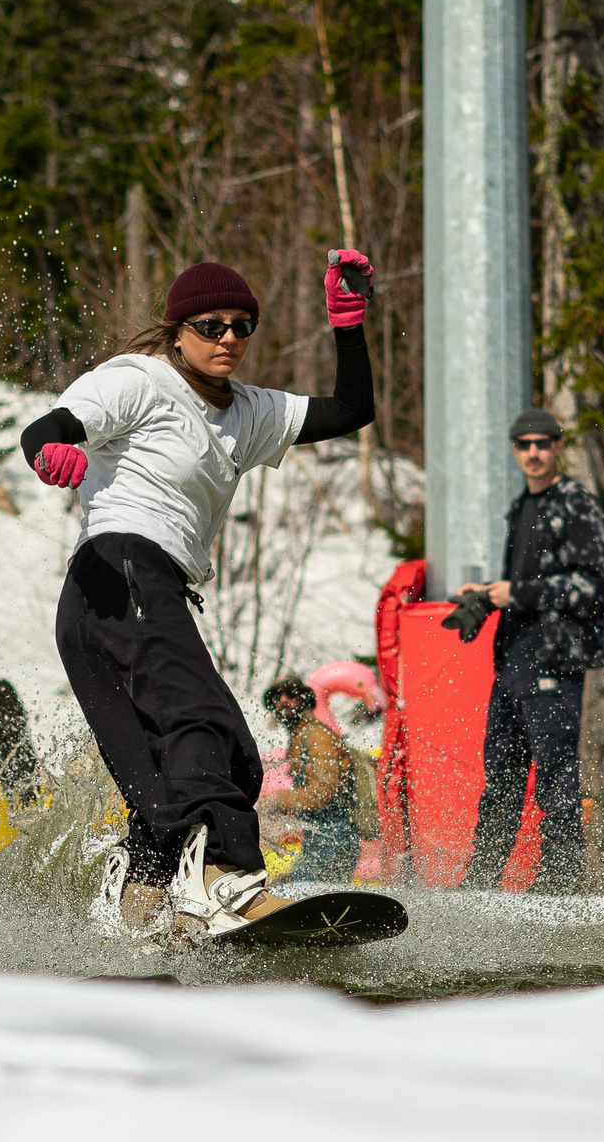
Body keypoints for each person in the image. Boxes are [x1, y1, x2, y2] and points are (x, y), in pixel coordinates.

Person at [22, 253, 377, 940]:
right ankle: (227, 883)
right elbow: (50, 427)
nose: (228, 339)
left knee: (180, 772)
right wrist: (50, 454)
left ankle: (142, 903)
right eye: (211, 325)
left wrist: (348, 322)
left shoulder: (250, 411)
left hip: (126, 600)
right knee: (207, 732)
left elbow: (352, 411)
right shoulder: (139, 381)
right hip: (122, 571)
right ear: (177, 330)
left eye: (243, 326)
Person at [455, 407, 604, 894]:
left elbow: (591, 581)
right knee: (500, 775)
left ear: (557, 447)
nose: (533, 453)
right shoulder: (523, 505)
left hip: (554, 659)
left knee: (555, 775)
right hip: (514, 660)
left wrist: (517, 593)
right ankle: (481, 884)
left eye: (542, 443)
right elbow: (526, 581)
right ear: (514, 450)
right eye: (524, 445)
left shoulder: (577, 502)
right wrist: (486, 594)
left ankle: (561, 884)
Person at [258, 675, 363, 884]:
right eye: (276, 697)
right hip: (320, 839)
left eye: (291, 694)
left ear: (305, 700)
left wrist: (277, 800)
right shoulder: (300, 735)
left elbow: (322, 792)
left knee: (302, 893)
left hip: (334, 839)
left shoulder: (317, 735)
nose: (283, 701)